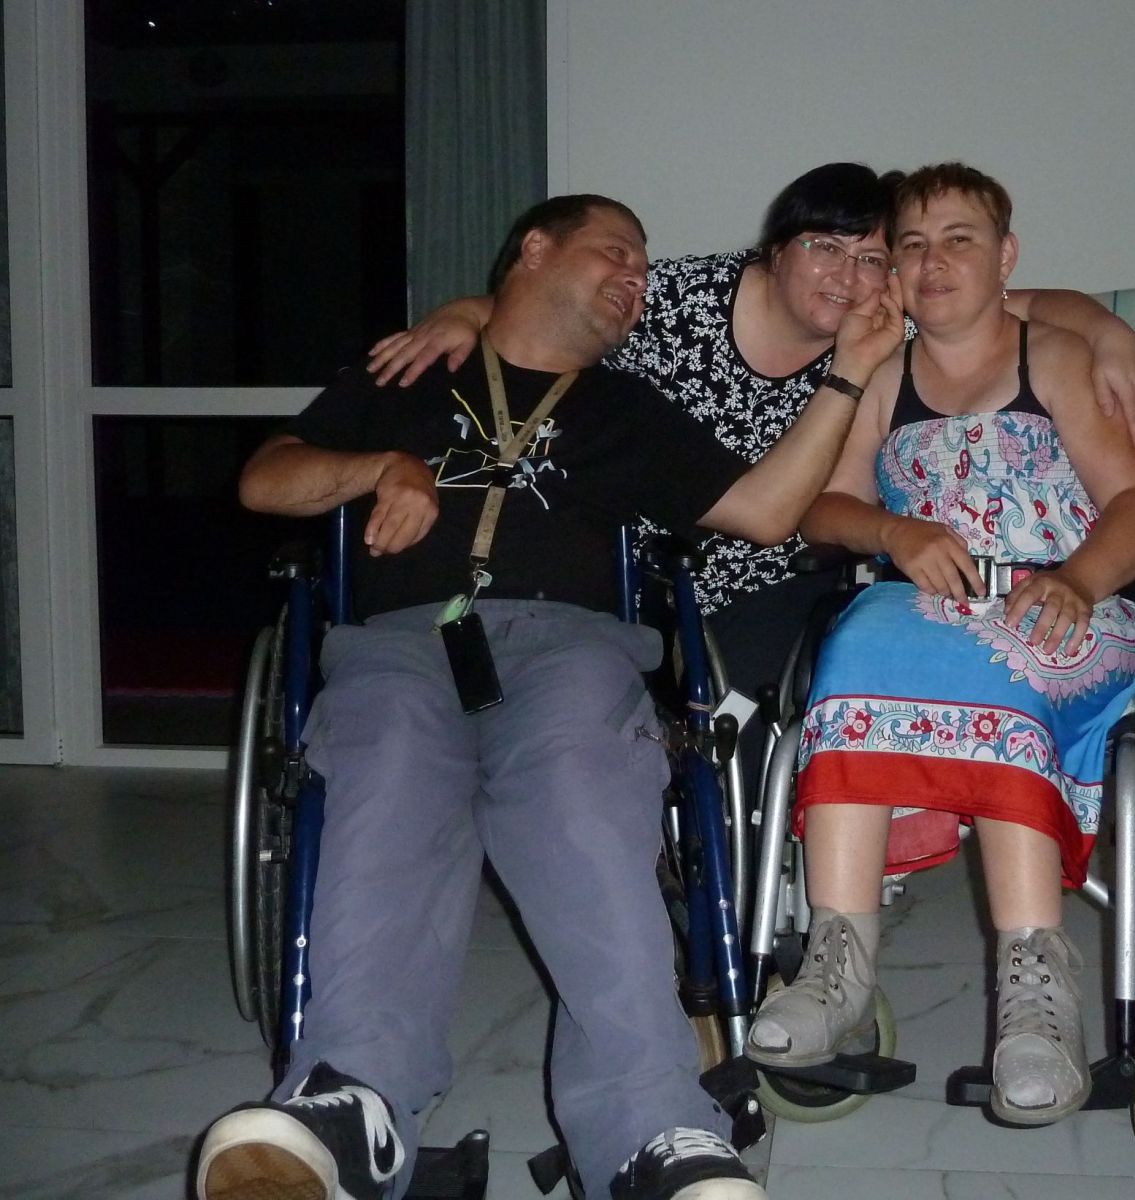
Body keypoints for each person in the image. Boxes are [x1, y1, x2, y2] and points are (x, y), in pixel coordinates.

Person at [194, 193, 905, 1200]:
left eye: (644, 270)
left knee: (586, 808)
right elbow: (265, 480)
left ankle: (652, 1131)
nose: (634, 279)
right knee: (386, 777)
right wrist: (381, 467)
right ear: (533, 249)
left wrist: (847, 375)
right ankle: (352, 1103)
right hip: (403, 643)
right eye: (614, 252)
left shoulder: (626, 410)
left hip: (570, 648)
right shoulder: (407, 375)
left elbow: (766, 511)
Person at [365, 163, 1135, 786]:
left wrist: (1108, 331)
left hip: (777, 574)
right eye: (823, 247)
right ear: (775, 250)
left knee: (747, 719)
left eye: (871, 259)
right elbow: (555, 304)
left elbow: (1007, 299)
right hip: (633, 570)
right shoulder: (679, 302)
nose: (845, 276)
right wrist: (463, 313)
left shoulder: (881, 329)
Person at [742, 163, 1135, 1128]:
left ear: (1004, 257)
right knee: (849, 656)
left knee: (998, 670)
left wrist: (1077, 579)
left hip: (1070, 604)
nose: (933, 261)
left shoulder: (1055, 358)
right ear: (893, 268)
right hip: (929, 607)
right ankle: (837, 966)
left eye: (959, 240)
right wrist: (892, 531)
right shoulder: (883, 375)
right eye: (913, 245)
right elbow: (826, 506)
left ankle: (1037, 1002)